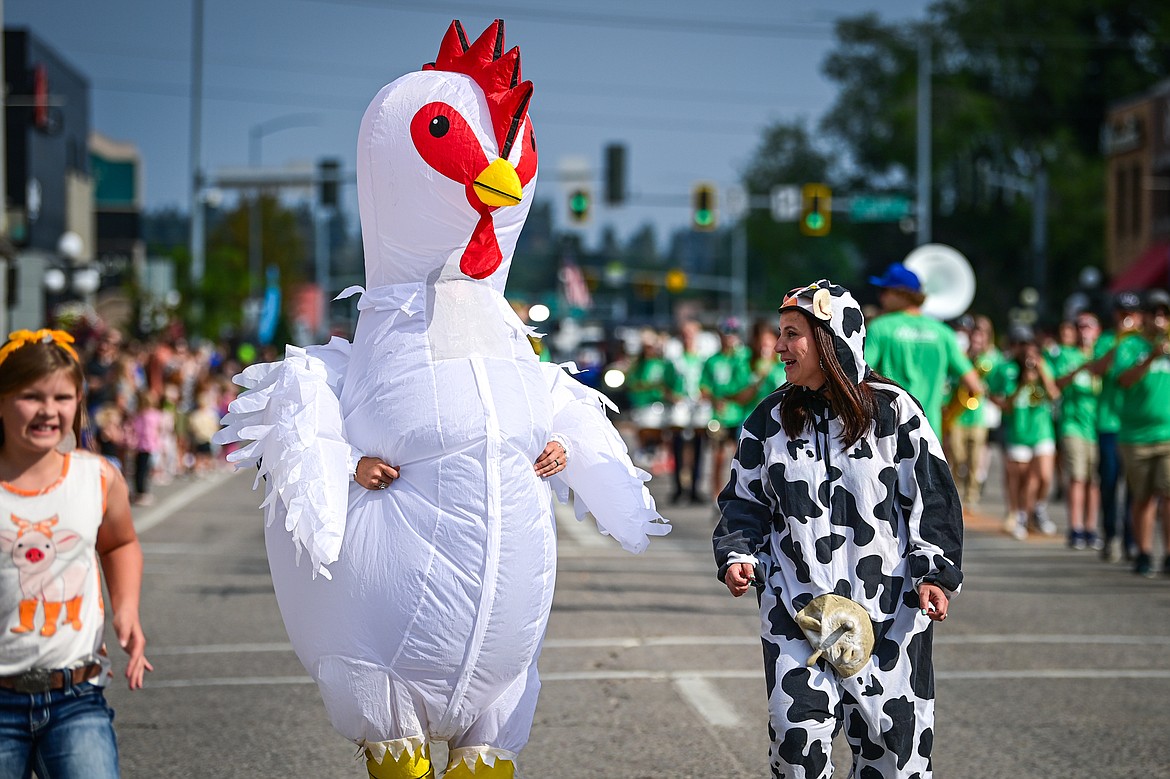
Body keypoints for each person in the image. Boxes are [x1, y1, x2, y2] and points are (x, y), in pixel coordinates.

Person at [714, 280, 962, 778]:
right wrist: (738, 555)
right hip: (796, 607)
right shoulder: (767, 420)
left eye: (792, 334)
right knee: (795, 743)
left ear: (830, 340)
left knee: (893, 754)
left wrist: (935, 572)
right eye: (780, 335)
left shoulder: (895, 412)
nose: (779, 347)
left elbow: (933, 498)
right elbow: (743, 502)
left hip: (890, 612)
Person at [0, 328, 151, 777]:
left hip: (76, 696)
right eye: (31, 397)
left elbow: (120, 543)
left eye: (63, 398)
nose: (49, 410)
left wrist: (126, 610)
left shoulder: (98, 477)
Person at [864, 262, 982, 438]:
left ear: (901, 293)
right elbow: (975, 385)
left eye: (884, 291)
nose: (880, 297)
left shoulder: (880, 327)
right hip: (930, 433)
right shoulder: (944, 333)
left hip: (890, 433)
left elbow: (859, 374)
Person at [1113, 289, 1170, 576]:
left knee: (1169, 495)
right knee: (1144, 497)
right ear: (1144, 317)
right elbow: (1124, 380)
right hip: (1136, 436)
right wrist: (1150, 357)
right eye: (1155, 314)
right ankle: (1144, 552)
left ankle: (1169, 554)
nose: (1160, 320)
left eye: (1164, 314)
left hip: (1168, 434)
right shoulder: (1130, 346)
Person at [987, 326, 1060, 540]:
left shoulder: (1043, 365)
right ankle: (1019, 514)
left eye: (1027, 344)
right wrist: (1022, 384)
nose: (1024, 349)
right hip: (1017, 430)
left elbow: (1054, 394)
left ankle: (1038, 508)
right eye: (1019, 344)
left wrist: (1041, 372)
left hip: (1041, 430)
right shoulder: (1005, 369)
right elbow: (1002, 401)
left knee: (1045, 476)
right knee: (1020, 477)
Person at [1088, 291, 1143, 562]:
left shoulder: (1146, 343)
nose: (1126, 319)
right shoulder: (1107, 340)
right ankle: (1110, 535)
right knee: (1109, 483)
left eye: (1130, 314)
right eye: (1122, 314)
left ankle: (1133, 540)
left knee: (1136, 488)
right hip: (1109, 423)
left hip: (1135, 424)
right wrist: (1117, 344)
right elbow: (1096, 370)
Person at [1052, 311, 1102, 549]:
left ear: (1097, 331)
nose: (1084, 331)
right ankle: (1076, 528)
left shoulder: (1101, 355)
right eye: (1080, 326)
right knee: (1077, 477)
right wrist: (1079, 369)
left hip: (1097, 425)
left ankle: (1091, 528)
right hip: (1072, 424)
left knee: (1094, 480)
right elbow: (1057, 385)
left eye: (1089, 326)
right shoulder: (1067, 354)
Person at [700, 317, 753, 504]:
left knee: (740, 458)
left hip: (741, 414)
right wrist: (714, 399)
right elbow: (704, 387)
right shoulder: (712, 361)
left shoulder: (744, 357)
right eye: (726, 334)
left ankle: (739, 495)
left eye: (733, 334)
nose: (729, 338)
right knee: (718, 457)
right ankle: (716, 495)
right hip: (721, 416)